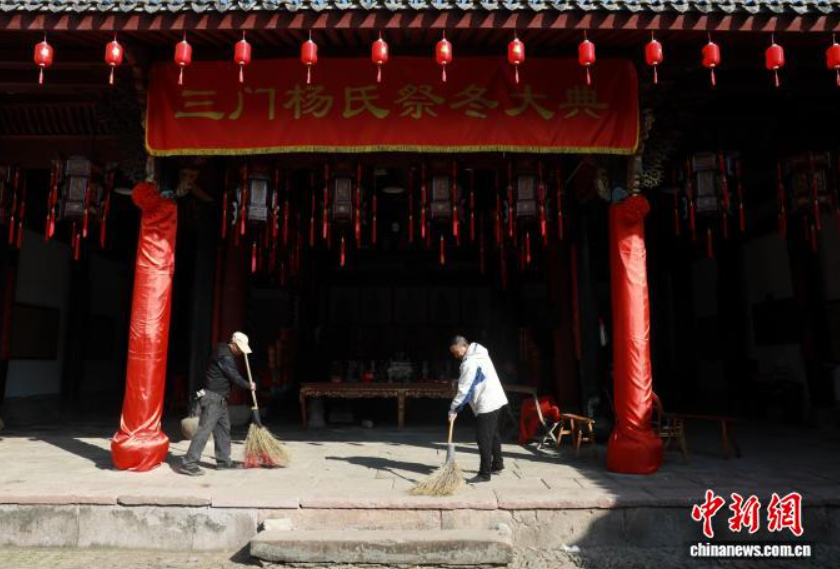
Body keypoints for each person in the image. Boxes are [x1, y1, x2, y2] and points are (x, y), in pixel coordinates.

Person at [178, 332, 255, 476]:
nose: (240, 352)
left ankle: (224, 461)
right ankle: (188, 463)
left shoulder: (226, 353)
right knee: (204, 430)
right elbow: (232, 374)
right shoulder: (224, 354)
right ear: (234, 344)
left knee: (223, 430)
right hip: (213, 398)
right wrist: (247, 385)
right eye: (240, 348)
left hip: (221, 399)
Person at [448, 335, 509, 483]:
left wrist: (453, 409)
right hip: (495, 398)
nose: (456, 355)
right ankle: (498, 464)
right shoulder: (480, 353)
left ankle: (484, 474)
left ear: (464, 346)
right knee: (492, 433)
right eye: (453, 353)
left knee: (483, 437)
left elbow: (464, 390)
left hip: (487, 401)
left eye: (456, 351)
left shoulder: (470, 362)